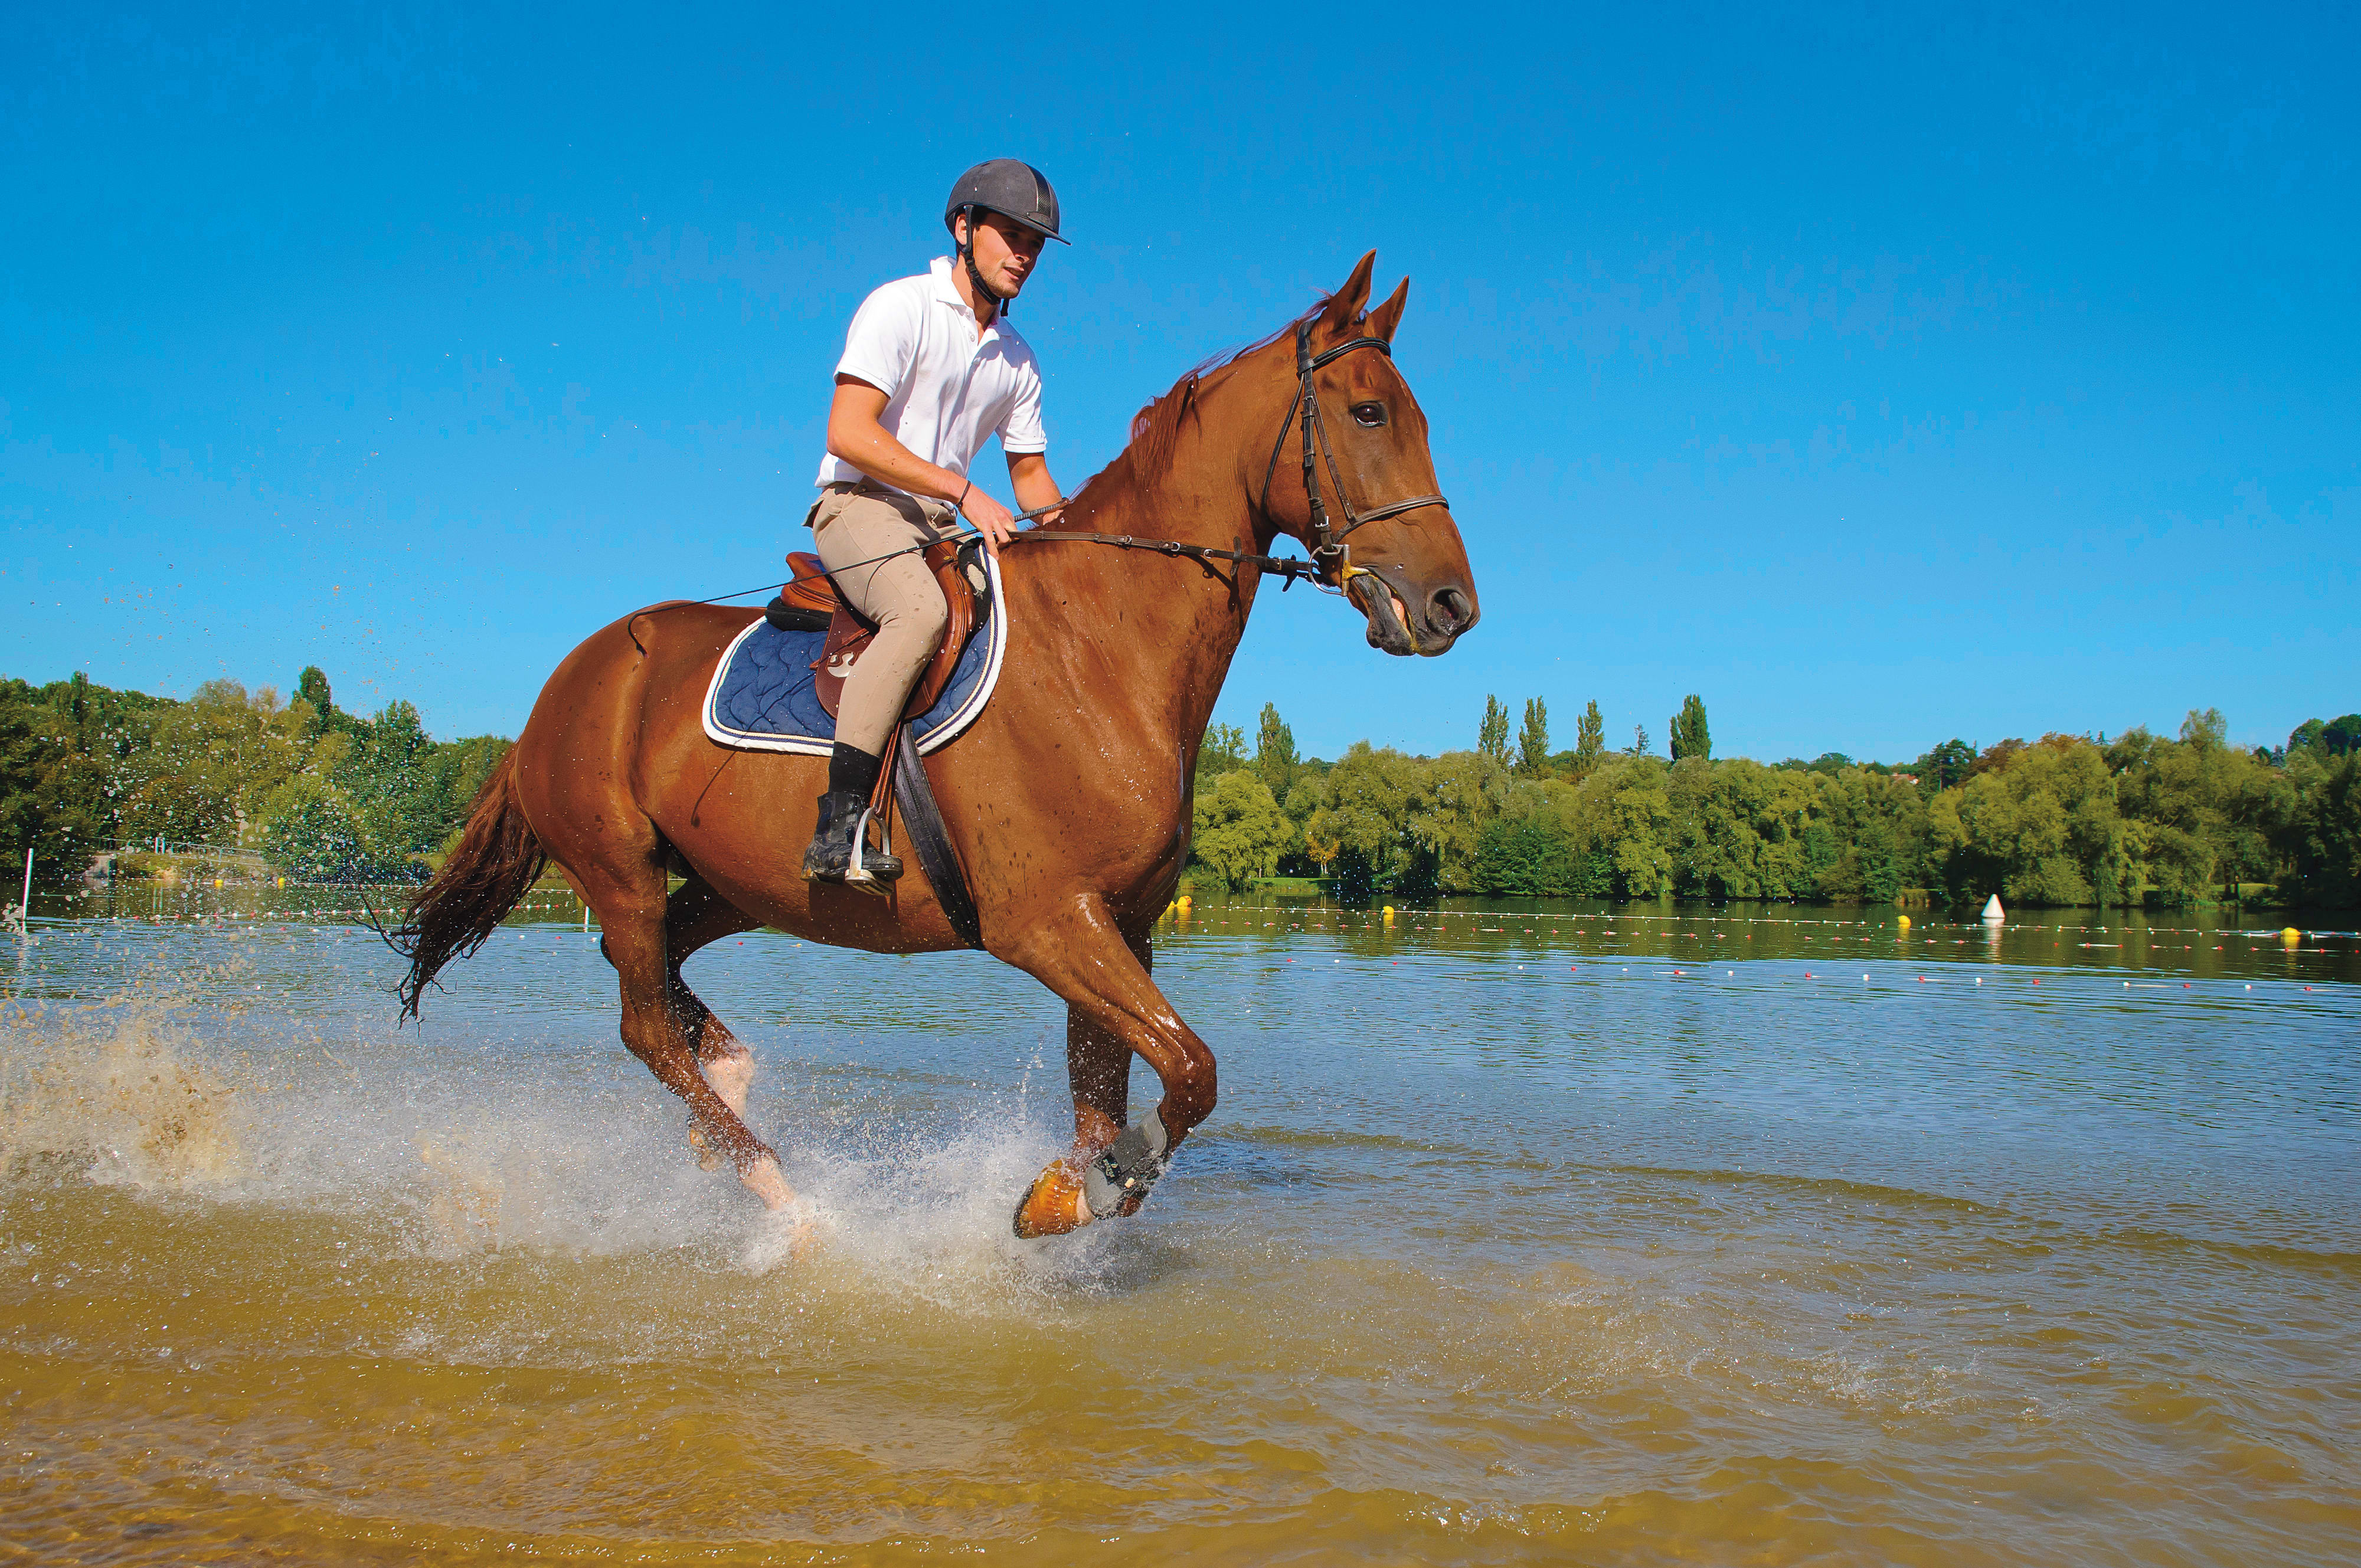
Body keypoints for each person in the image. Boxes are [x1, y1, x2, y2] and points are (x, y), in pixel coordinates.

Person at [803, 159, 1069, 890]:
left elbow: (1030, 480)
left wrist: (1074, 527)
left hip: (940, 528)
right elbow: (848, 431)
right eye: (1010, 235)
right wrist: (962, 490)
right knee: (918, 613)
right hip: (858, 506)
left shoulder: (1019, 360)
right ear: (963, 228)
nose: (1023, 254)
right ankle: (841, 823)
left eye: (1034, 243)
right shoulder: (901, 306)